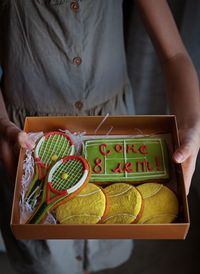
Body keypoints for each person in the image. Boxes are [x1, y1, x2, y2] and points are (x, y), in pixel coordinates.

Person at [0, 0, 200, 273]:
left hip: (114, 127)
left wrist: (192, 125)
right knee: (47, 260)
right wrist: (2, 122)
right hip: (28, 141)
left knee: (107, 238)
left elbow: (174, 55)